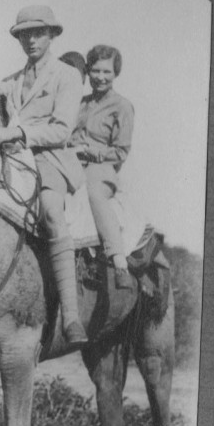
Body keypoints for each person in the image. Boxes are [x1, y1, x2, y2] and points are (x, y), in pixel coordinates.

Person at [0, 5, 87, 345]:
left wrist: (16, 133)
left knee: (52, 213)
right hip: (7, 159)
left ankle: (70, 316)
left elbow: (61, 130)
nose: (31, 40)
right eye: (25, 33)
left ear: (52, 35)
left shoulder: (66, 76)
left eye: (38, 32)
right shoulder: (7, 82)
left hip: (49, 158)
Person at [71, 44, 135, 289]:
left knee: (93, 193)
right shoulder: (80, 102)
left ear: (115, 73)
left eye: (107, 72)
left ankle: (118, 261)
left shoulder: (122, 106)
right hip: (72, 162)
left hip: (102, 168)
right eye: (95, 71)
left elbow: (120, 152)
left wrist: (90, 152)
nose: (100, 77)